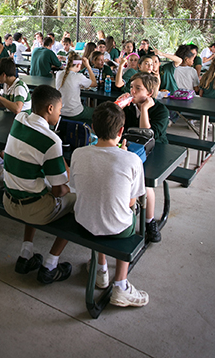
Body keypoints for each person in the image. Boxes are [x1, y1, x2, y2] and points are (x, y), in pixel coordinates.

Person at [70, 102, 149, 306]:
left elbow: (76, 186)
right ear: (121, 131)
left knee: (97, 202)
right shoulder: (132, 160)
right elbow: (131, 200)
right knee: (129, 211)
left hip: (83, 223)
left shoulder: (79, 153)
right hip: (118, 229)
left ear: (93, 128)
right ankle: (121, 285)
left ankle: (101, 269)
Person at [3, 85, 76, 284]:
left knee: (35, 185)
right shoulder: (52, 141)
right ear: (50, 109)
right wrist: (71, 186)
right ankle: (51, 265)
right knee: (79, 202)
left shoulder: (19, 120)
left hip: (8, 201)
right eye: (60, 109)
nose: (60, 113)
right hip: (32, 209)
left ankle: (26, 254)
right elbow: (59, 191)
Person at [121, 72, 169, 243]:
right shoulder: (127, 107)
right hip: (131, 150)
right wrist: (117, 107)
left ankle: (149, 223)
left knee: (145, 184)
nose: (132, 91)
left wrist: (144, 109)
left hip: (154, 151)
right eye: (131, 87)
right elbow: (115, 129)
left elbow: (147, 135)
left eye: (137, 88)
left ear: (149, 93)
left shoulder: (160, 110)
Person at [55, 52, 97, 125]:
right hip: (75, 112)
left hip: (61, 111)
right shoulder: (79, 76)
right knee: (97, 112)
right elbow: (94, 83)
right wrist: (88, 66)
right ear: (78, 65)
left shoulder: (58, 74)